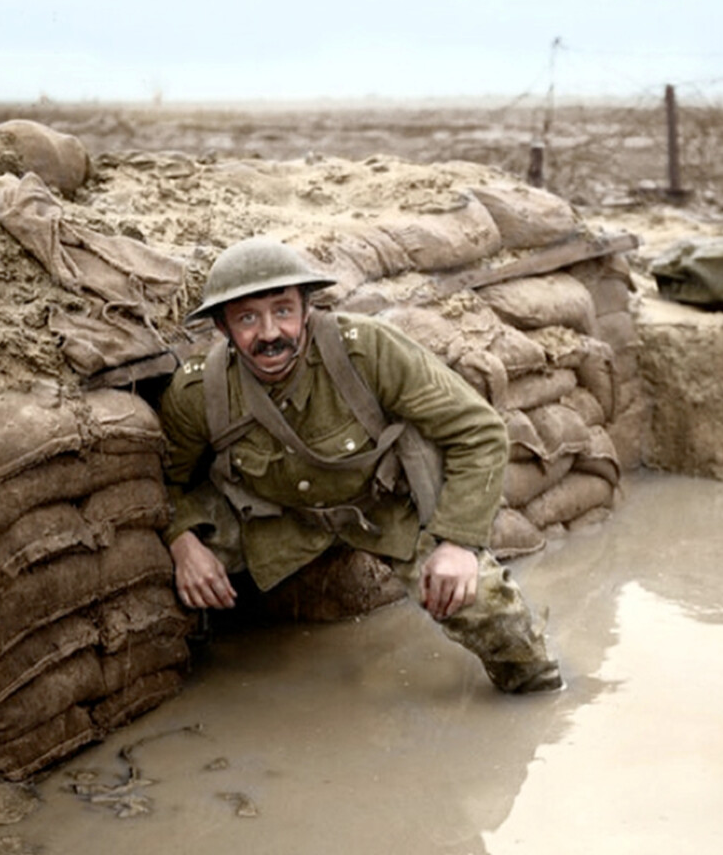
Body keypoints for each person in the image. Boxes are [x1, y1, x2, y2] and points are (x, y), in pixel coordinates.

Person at [158, 236, 562, 694]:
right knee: (157, 581)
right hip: (273, 516)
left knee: (493, 614)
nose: (269, 332)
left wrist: (459, 543)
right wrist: (181, 540)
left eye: (283, 310)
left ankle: (536, 696)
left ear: (306, 308)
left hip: (385, 507)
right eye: (247, 317)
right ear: (223, 327)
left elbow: (479, 430)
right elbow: (165, 482)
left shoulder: (366, 350)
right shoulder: (199, 392)